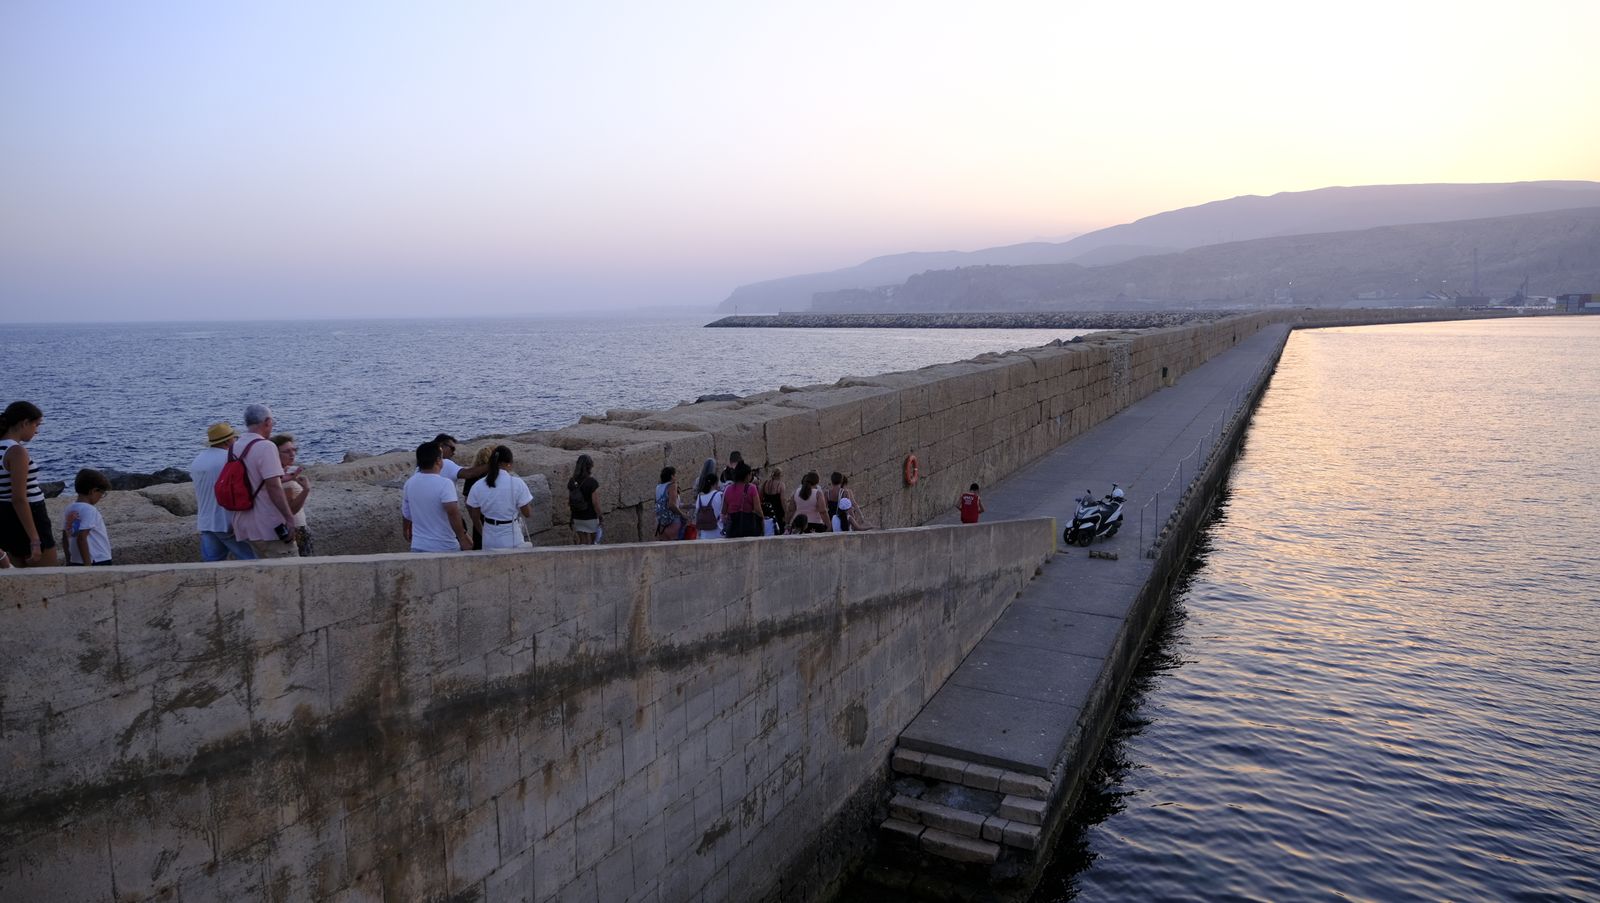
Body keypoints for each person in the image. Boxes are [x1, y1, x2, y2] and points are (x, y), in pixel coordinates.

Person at [228, 404, 300, 558]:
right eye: (272, 422)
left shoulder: (235, 446)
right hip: (268, 526)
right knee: (289, 573)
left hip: (244, 523)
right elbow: (274, 487)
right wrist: (289, 519)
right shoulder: (266, 446)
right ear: (267, 421)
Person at [0, 401, 57, 567]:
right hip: (30, 515)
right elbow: (19, 497)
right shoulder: (16, 451)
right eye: (36, 425)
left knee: (17, 577)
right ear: (25, 423)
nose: (36, 431)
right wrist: (35, 539)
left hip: (4, 516)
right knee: (48, 578)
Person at [190, 423, 256, 561]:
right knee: (252, 561)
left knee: (212, 568)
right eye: (234, 438)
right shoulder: (229, 459)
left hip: (205, 522)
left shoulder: (197, 460)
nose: (236, 441)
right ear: (227, 441)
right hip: (226, 521)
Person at [402, 441, 472, 552]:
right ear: (438, 460)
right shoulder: (445, 484)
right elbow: (453, 513)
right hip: (444, 545)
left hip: (419, 545)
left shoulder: (409, 483)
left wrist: (405, 530)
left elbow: (407, 514)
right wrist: (462, 538)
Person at [467, 445, 533, 551]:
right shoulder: (517, 483)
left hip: (489, 535)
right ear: (509, 464)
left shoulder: (478, 485)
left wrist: (483, 532)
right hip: (512, 535)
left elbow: (475, 516)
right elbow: (527, 513)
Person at [271, 434, 314, 557]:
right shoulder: (283, 479)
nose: (292, 454)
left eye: (294, 450)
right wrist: (306, 490)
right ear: (275, 454)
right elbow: (291, 510)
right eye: (287, 451)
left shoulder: (284, 473)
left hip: (298, 526)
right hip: (296, 528)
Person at [61, 468, 114, 566]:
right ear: (93, 491)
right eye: (102, 493)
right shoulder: (90, 510)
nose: (101, 497)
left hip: (75, 560)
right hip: (97, 559)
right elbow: (81, 538)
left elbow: (65, 536)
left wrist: (69, 559)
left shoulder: (70, 508)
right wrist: (88, 566)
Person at [461, 445, 497, 550]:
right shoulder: (494, 477)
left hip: (478, 521)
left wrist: (474, 518)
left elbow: (468, 503)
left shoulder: (471, 477)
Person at [722, 461, 764, 538]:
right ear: (747, 475)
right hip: (749, 528)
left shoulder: (727, 489)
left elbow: (724, 512)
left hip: (733, 530)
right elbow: (758, 510)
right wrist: (763, 523)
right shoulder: (752, 488)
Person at [567, 454, 601, 545]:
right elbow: (595, 502)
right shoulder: (592, 482)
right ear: (589, 466)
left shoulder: (572, 481)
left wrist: (571, 518)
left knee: (582, 541)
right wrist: (600, 516)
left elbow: (571, 500)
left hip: (577, 516)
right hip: (590, 516)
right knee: (593, 542)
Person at [654, 466, 690, 540]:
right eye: (675, 475)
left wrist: (691, 505)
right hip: (673, 522)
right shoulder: (672, 486)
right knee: (676, 548)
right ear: (672, 476)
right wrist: (683, 515)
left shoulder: (658, 487)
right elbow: (672, 505)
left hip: (661, 524)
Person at [693, 471, 724, 539]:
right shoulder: (719, 495)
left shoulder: (700, 496)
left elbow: (697, 511)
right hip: (718, 531)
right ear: (715, 483)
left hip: (704, 534)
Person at [760, 467, 789, 535]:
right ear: (780, 475)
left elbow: (761, 495)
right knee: (779, 529)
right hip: (777, 510)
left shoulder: (765, 483)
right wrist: (786, 512)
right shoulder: (781, 485)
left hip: (767, 510)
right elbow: (783, 500)